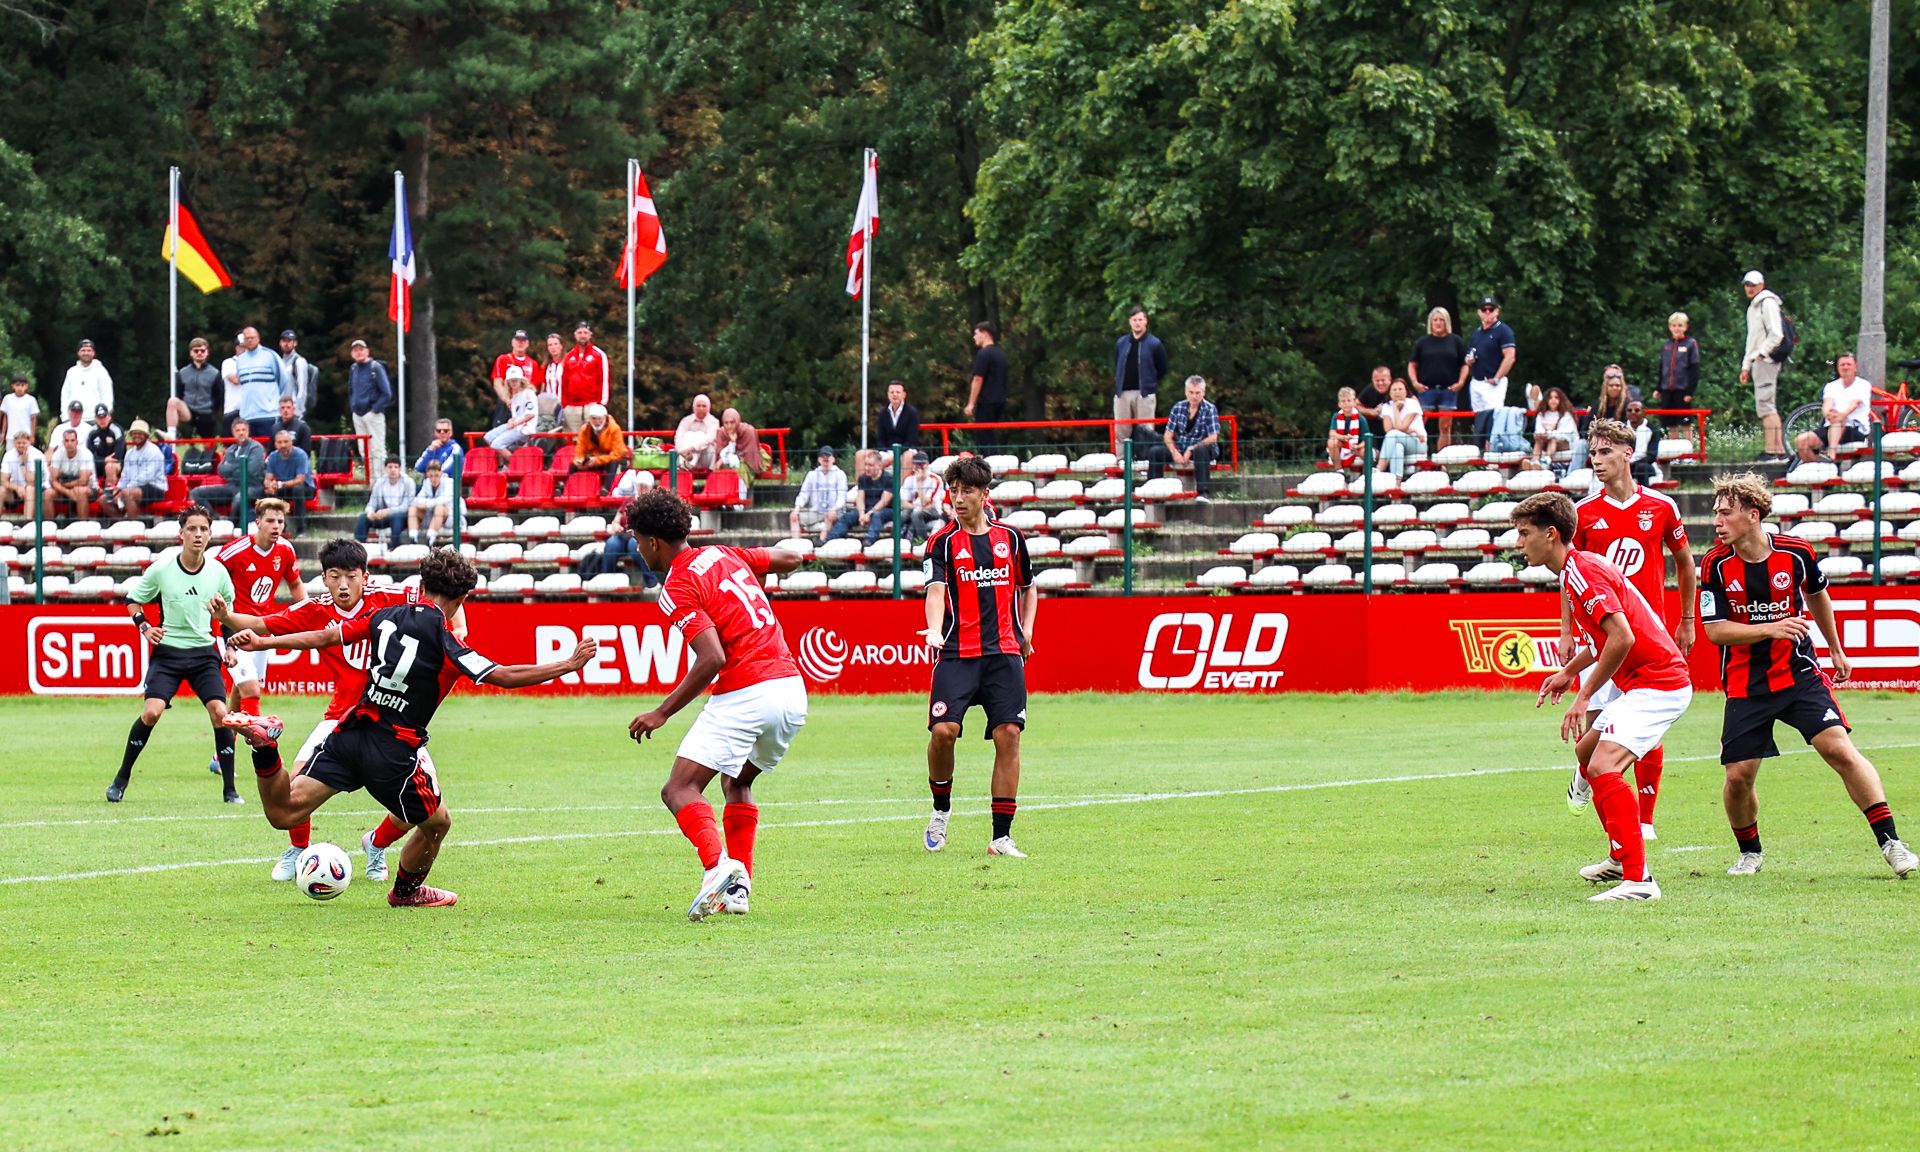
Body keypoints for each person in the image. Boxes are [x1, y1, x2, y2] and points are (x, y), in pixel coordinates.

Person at [228, 548, 596, 907]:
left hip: (350, 730)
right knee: (437, 822)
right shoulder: (447, 642)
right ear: (463, 597)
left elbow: (326, 636)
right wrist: (567, 664)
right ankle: (406, 892)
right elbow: (503, 675)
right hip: (394, 752)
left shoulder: (385, 616)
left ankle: (265, 749)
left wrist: (264, 642)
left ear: (421, 584)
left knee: (283, 813)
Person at [1698, 473, 1917, 878]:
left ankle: (1892, 842)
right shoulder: (1714, 563)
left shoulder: (1796, 552)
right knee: (1739, 776)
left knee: (1839, 750)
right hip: (1746, 685)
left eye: (1725, 513)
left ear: (1753, 514)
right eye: (1715, 513)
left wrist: (1835, 647)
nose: (1717, 521)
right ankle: (1750, 852)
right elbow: (1714, 631)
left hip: (1799, 675)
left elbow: (1817, 594)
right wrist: (1771, 627)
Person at [624, 488, 810, 919]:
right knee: (737, 783)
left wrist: (662, 712)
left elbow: (713, 657)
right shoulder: (725, 554)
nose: (637, 548)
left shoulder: (676, 585)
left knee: (679, 789)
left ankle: (717, 866)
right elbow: (790, 559)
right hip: (790, 692)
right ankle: (737, 890)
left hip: (747, 691)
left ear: (654, 542)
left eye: (637, 539)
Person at [208, 538, 440, 881]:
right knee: (293, 789)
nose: (342, 585)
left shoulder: (391, 598)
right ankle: (299, 849)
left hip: (392, 720)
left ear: (365, 575)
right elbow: (263, 624)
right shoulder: (316, 609)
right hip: (341, 718)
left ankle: (375, 844)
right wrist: (226, 615)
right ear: (324, 578)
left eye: (350, 575)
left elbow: (437, 603)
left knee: (426, 804)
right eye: (334, 576)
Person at [1519, 491, 1691, 902]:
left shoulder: (1582, 572)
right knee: (1586, 754)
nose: (1519, 543)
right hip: (1647, 681)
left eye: (1524, 534)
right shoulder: (1576, 569)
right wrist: (1567, 674)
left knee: (1602, 766)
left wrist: (1584, 697)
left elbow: (1623, 636)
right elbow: (1604, 639)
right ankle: (1620, 858)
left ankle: (1639, 881)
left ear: (1551, 534)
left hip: (1659, 682)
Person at [1561, 418, 1696, 848]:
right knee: (1599, 729)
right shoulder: (1583, 513)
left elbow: (1685, 563)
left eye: (1604, 452)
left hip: (1648, 635)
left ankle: (1644, 820)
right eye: (1593, 453)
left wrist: (1687, 618)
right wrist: (1566, 630)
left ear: (1627, 454)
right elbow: (1570, 574)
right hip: (1602, 637)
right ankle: (1587, 777)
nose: (1596, 461)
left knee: (1644, 729)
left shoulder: (1661, 507)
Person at [921, 455, 1037, 858]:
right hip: (956, 652)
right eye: (953, 490)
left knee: (1009, 735)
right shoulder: (942, 543)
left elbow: (1028, 586)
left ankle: (1001, 837)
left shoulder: (1012, 539)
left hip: (1004, 653)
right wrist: (934, 629)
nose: (958, 498)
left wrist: (1027, 631)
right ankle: (941, 809)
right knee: (942, 732)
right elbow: (935, 590)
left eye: (966, 490)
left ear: (984, 494)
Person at [109, 503, 245, 805]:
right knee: (151, 712)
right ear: (180, 534)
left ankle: (230, 790)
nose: (198, 535)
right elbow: (133, 601)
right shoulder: (161, 569)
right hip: (168, 655)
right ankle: (121, 778)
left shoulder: (219, 573)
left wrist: (231, 647)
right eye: (192, 529)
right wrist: (144, 626)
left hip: (204, 655)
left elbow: (227, 617)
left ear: (210, 535)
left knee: (221, 715)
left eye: (204, 530)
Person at [213, 498, 305, 734]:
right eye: (270, 521)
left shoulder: (285, 549)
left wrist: (307, 614)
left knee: (241, 688)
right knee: (251, 689)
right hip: (233, 628)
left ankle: (223, 751)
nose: (276, 526)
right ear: (258, 522)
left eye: (280, 521)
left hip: (262, 630)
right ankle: (260, 743)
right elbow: (209, 577)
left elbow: (295, 585)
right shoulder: (235, 550)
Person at [1740, 271, 1790, 462]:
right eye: (1747, 285)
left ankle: (1774, 450)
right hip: (1758, 361)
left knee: (1766, 405)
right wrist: (1746, 366)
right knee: (1766, 404)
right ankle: (1775, 450)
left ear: (1762, 285)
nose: (1749, 288)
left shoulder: (1767, 303)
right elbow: (1751, 340)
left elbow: (1776, 334)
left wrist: (1762, 354)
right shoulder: (1753, 307)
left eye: (1753, 284)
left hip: (1766, 361)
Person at [1149, 374, 1221, 500]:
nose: (1194, 396)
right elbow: (1168, 435)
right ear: (1186, 392)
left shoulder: (1210, 409)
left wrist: (1192, 448)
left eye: (1198, 393)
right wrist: (1174, 451)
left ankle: (1203, 493)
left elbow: (1213, 437)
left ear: (1203, 393)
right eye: (1191, 392)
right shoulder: (1178, 408)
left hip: (1202, 447)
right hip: (1181, 447)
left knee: (1201, 450)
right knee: (1155, 452)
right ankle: (1155, 492)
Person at [1794, 351, 1874, 463]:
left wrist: (1840, 415)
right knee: (1801, 441)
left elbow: (1854, 404)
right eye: (1842, 365)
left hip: (1855, 429)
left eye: (1848, 364)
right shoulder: (1831, 386)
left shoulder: (1863, 385)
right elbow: (1827, 404)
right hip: (1831, 427)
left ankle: (1830, 455)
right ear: (1837, 368)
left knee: (1839, 420)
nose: (1845, 367)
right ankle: (1819, 469)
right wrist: (1828, 414)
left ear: (1855, 367)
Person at [1459, 297, 1516, 445]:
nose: (1487, 313)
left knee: (1494, 418)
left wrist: (1497, 377)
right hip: (1477, 381)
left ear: (1497, 311)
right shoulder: (1477, 333)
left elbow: (1509, 357)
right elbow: (1469, 355)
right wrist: (1469, 360)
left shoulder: (1503, 331)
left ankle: (1494, 452)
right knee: (1479, 418)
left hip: (1493, 382)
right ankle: (1482, 452)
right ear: (1479, 312)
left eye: (1491, 309)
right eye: (1484, 310)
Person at [1409, 307, 1467, 448]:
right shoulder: (1423, 342)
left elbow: (1464, 364)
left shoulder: (1456, 341)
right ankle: (1417, 457)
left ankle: (1442, 461)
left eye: (1441, 320)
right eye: (1435, 320)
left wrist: (1461, 382)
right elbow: (1412, 364)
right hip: (1426, 389)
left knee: (1446, 427)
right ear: (1431, 322)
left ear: (1446, 321)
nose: (1438, 323)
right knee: (1418, 425)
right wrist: (1415, 382)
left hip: (1448, 389)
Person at [581, 498, 660, 587]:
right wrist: (616, 526)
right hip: (622, 535)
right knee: (611, 543)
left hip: (639, 535)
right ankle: (607, 580)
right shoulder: (629, 500)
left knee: (634, 545)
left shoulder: (651, 503)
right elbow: (615, 521)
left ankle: (652, 582)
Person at [231, 327, 289, 442]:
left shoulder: (270, 356)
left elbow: (283, 380)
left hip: (269, 415)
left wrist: (271, 400)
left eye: (252, 338)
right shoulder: (240, 360)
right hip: (247, 416)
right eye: (247, 338)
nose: (250, 340)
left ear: (258, 339)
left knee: (270, 452)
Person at [825, 448, 895, 545]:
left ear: (879, 465)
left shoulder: (889, 479)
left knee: (877, 516)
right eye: (865, 464)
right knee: (848, 516)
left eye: (870, 465)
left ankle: (869, 540)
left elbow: (884, 501)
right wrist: (862, 514)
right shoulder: (863, 478)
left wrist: (869, 514)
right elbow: (860, 497)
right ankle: (830, 539)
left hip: (886, 510)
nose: (866, 468)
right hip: (867, 509)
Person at [1113, 306, 1169, 423]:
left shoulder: (1154, 343)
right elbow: (1117, 364)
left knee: (1145, 430)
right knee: (1121, 431)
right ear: (1130, 322)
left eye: (1140, 320)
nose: (1137, 323)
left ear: (1146, 321)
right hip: (1122, 394)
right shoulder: (1121, 343)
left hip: (1144, 394)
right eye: (1134, 320)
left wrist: (1150, 382)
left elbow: (1162, 368)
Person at [347, 338, 394, 476]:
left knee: (377, 450)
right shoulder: (353, 368)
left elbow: (387, 393)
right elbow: (351, 390)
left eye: (361, 349)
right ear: (352, 354)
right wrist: (353, 407)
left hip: (373, 413)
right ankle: (371, 482)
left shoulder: (375, 367)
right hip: (358, 414)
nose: (359, 352)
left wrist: (374, 410)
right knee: (363, 450)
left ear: (367, 351)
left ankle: (380, 482)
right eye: (355, 350)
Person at [109, 420, 167, 519]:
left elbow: (147, 476)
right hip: (133, 488)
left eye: (140, 433)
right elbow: (125, 475)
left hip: (155, 488)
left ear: (146, 435)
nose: (137, 436)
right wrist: (118, 488)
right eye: (134, 433)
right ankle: (121, 522)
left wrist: (125, 489)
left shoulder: (154, 451)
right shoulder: (130, 453)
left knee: (128, 494)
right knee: (104, 499)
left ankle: (135, 528)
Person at [964, 321, 1009, 450]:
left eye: (976, 334)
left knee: (984, 438)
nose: (974, 337)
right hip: (1000, 400)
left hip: (987, 401)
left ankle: (989, 466)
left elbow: (978, 379)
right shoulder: (1001, 354)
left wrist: (971, 403)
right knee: (992, 436)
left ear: (985, 334)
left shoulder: (983, 354)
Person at [1655, 312, 1700, 437]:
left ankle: (1688, 453)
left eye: (1680, 325)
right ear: (1670, 327)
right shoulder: (1666, 344)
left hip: (1682, 389)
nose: (1677, 328)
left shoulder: (1690, 343)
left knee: (1685, 422)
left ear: (1685, 327)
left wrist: (1689, 392)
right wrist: (1658, 388)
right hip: (1667, 389)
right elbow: (1661, 367)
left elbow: (1694, 369)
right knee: (1671, 423)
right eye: (1674, 325)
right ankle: (1674, 453)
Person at [168, 338, 224, 439]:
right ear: (191, 353)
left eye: (202, 351)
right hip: (188, 413)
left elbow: (219, 397)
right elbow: (178, 394)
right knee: (172, 401)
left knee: (208, 447)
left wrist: (215, 415)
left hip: (206, 413)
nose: (199, 353)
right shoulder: (182, 373)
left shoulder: (214, 373)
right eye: (196, 351)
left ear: (207, 353)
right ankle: (172, 434)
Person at [560, 320, 609, 433]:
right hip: (572, 406)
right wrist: (564, 403)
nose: (582, 335)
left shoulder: (598, 354)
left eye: (585, 332)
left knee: (593, 437)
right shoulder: (569, 356)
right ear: (575, 335)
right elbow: (564, 381)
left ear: (590, 334)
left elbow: (604, 380)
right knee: (575, 439)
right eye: (580, 332)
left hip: (591, 403)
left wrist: (601, 404)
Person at [790, 446, 848, 541]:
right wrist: (797, 508)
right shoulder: (812, 475)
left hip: (835, 512)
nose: (825, 458)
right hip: (816, 511)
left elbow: (842, 498)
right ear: (819, 459)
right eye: (822, 456)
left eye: (828, 456)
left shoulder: (840, 474)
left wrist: (834, 509)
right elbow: (803, 494)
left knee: (829, 516)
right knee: (793, 516)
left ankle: (821, 542)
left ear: (833, 459)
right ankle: (797, 545)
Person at [261, 430, 313, 532]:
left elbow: (300, 480)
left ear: (291, 442)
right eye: (279, 442)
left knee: (297, 490)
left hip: (304, 487)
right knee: (268, 492)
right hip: (283, 487)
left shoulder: (300, 454)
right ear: (275, 444)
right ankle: (278, 529)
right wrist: (269, 486)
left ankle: (302, 529)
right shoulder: (273, 456)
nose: (283, 445)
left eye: (286, 441)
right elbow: (268, 478)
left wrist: (280, 484)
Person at [356, 458, 416, 547]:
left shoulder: (408, 482)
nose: (393, 470)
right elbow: (372, 503)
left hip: (403, 517)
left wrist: (388, 511)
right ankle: (358, 547)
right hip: (382, 516)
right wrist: (370, 512)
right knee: (363, 518)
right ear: (385, 469)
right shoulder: (380, 482)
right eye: (390, 467)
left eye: (396, 467)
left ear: (400, 469)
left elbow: (406, 506)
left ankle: (394, 548)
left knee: (396, 518)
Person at [1376, 377, 1427, 478]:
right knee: (1397, 448)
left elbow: (1400, 428)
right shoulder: (1386, 406)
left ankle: (1379, 469)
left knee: (1393, 435)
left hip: (1417, 443)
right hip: (1398, 440)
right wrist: (1411, 430)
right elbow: (1388, 430)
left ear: (1406, 392)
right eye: (1394, 390)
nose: (1397, 392)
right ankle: (1397, 482)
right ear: (1389, 393)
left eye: (1400, 389)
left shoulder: (1412, 404)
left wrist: (1395, 409)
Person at [489, 329, 540, 425]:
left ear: (527, 343)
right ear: (512, 342)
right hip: (506, 403)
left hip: (524, 405)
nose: (520, 343)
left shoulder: (532, 364)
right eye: (517, 340)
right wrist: (507, 400)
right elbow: (497, 383)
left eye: (523, 340)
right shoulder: (503, 359)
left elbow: (533, 387)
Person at [45, 426, 96, 516]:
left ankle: (83, 526)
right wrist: (68, 492)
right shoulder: (58, 454)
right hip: (64, 489)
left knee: (80, 490)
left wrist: (64, 485)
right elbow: (53, 480)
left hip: (88, 488)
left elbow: (83, 481)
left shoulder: (85, 454)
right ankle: (50, 525)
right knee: (48, 493)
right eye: (67, 440)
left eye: (72, 440)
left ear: (77, 442)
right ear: (63, 443)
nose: (69, 443)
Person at [484, 368, 539, 451]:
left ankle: (512, 463)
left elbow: (531, 414)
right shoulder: (514, 396)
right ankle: (502, 461)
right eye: (511, 380)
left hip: (524, 428)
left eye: (515, 380)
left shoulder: (528, 393)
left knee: (496, 444)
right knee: (488, 437)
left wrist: (516, 423)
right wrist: (511, 420)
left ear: (521, 380)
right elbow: (516, 415)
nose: (513, 383)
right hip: (515, 425)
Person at [59, 338, 114, 418]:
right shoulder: (71, 372)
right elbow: (65, 396)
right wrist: (65, 416)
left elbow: (107, 395)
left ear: (93, 353)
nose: (86, 353)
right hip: (74, 420)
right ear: (78, 353)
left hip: (95, 419)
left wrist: (104, 415)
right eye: (83, 350)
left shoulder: (101, 371)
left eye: (89, 350)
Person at [900, 450, 946, 542]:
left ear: (927, 464)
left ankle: (924, 541)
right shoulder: (909, 480)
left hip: (934, 511)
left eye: (922, 464)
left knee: (916, 514)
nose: (919, 467)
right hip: (916, 508)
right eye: (917, 464)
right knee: (903, 515)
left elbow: (926, 503)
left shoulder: (935, 480)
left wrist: (919, 483)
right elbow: (904, 503)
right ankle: (896, 539)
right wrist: (916, 506)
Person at [574, 402, 632, 475]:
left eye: (600, 418)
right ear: (589, 419)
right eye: (594, 418)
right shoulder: (584, 430)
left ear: (605, 418)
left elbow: (617, 454)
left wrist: (598, 460)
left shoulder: (614, 429)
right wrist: (579, 461)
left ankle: (608, 486)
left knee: (613, 463)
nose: (597, 422)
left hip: (613, 459)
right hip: (594, 459)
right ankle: (568, 485)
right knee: (573, 466)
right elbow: (579, 451)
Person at [408, 459, 455, 545]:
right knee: (413, 509)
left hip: (449, 518)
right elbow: (417, 500)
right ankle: (413, 538)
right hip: (430, 517)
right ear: (427, 475)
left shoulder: (450, 482)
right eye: (431, 476)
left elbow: (445, 499)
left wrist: (427, 504)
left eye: (436, 475)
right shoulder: (426, 483)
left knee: (439, 508)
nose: (433, 479)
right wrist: (424, 504)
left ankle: (430, 540)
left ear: (441, 473)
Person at [1529, 386, 1578, 467]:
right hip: (1546, 441)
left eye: (1556, 398)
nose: (1553, 400)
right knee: (1539, 440)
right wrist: (1540, 435)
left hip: (1565, 444)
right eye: (1550, 398)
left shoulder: (1566, 415)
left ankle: (1546, 461)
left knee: (1553, 440)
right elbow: (1538, 430)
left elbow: (1564, 435)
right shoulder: (1542, 414)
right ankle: (1535, 460)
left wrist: (1548, 434)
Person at [277, 329, 317, 419]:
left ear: (295, 343)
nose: (286, 344)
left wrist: (298, 411)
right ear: (280, 343)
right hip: (281, 412)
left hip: (294, 412)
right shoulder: (279, 362)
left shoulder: (299, 361)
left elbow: (302, 389)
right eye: (284, 341)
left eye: (289, 341)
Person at [675, 394, 721, 471]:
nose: (701, 408)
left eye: (704, 406)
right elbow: (678, 437)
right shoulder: (686, 420)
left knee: (701, 435)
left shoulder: (714, 422)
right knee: (688, 435)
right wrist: (683, 451)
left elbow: (708, 439)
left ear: (709, 407)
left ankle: (689, 465)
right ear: (694, 407)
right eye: (698, 406)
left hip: (706, 456)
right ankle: (683, 465)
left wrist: (692, 448)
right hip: (685, 455)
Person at [0, 431, 42, 513]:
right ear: (14, 443)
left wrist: (23, 463)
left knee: (30, 489)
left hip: (35, 489)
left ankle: (27, 522)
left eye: (24, 443)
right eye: (18, 443)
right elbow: (3, 481)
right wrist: (17, 488)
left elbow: (31, 482)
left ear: (29, 442)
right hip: (15, 489)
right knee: (1, 490)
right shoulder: (8, 455)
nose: (21, 445)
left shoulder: (36, 454)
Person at [1325, 387, 1364, 472]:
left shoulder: (1360, 418)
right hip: (1341, 446)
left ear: (1354, 402)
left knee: (1366, 451)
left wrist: (1357, 446)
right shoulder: (1336, 416)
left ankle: (1367, 475)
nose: (1346, 404)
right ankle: (1339, 470)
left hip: (1356, 447)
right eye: (1343, 401)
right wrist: (1343, 438)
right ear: (1339, 404)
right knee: (1331, 442)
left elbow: (1367, 439)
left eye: (1349, 401)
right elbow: (1332, 433)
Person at [86, 405, 124, 488]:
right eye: (99, 417)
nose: (102, 420)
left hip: (116, 464)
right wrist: (104, 460)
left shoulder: (116, 430)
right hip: (98, 464)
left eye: (104, 417)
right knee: (84, 467)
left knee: (110, 466)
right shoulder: (91, 432)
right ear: (96, 418)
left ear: (109, 416)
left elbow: (118, 456)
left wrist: (101, 460)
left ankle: (109, 495)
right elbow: (88, 456)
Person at [717, 408, 764, 475]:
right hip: (726, 464)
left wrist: (727, 459)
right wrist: (732, 442)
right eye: (726, 423)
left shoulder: (748, 431)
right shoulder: (721, 432)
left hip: (746, 464)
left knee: (740, 471)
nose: (729, 426)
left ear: (737, 421)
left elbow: (749, 456)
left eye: (732, 422)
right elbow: (720, 454)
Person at [877, 381, 921, 449]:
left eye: (898, 392)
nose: (895, 394)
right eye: (892, 392)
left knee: (907, 456)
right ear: (888, 394)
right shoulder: (883, 413)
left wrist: (896, 454)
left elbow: (911, 439)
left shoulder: (912, 413)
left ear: (904, 395)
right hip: (887, 451)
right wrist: (883, 452)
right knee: (861, 454)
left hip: (907, 450)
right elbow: (880, 438)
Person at [1623, 401, 1657, 483]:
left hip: (1645, 465)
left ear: (1643, 412)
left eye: (1637, 410)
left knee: (1642, 468)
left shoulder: (1653, 429)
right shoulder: (1621, 428)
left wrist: (1632, 462)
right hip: (1624, 463)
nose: (1633, 412)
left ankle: (1643, 495)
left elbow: (1652, 456)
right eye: (1629, 410)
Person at [1354, 365, 1392, 439]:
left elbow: (1412, 399)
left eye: (1383, 380)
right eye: (1377, 381)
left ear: (1390, 379)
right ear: (1373, 380)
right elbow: (1356, 405)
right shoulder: (1369, 389)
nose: (1380, 383)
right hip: (1373, 430)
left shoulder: (1397, 388)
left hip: (1393, 429)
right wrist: (1370, 412)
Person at [2, 373, 39, 447]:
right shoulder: (8, 399)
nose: (20, 388)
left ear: (26, 386)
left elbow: (34, 419)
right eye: (17, 385)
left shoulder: (31, 400)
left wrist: (32, 435)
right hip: (11, 436)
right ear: (13, 386)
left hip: (26, 436)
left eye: (22, 385)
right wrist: (3, 433)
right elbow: (5, 417)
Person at [539, 332, 566, 423]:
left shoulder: (568, 363)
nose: (553, 347)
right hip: (550, 406)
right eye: (550, 345)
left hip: (565, 404)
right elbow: (543, 387)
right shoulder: (545, 366)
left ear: (561, 346)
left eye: (555, 344)